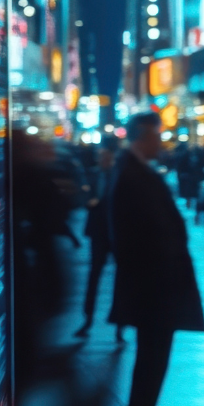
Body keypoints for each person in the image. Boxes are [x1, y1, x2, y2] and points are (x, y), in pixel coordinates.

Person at [108, 113, 204, 406]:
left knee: (152, 362)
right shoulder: (133, 176)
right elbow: (137, 237)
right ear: (145, 136)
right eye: (158, 135)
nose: (162, 142)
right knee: (151, 365)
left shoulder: (134, 170)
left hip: (154, 289)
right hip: (154, 291)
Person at [75, 136, 123, 341]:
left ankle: (120, 325)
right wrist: (89, 201)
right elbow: (82, 196)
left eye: (106, 157)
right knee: (94, 275)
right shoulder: (93, 175)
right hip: (98, 232)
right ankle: (88, 318)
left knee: (120, 278)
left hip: (116, 232)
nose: (102, 160)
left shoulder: (119, 176)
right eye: (101, 157)